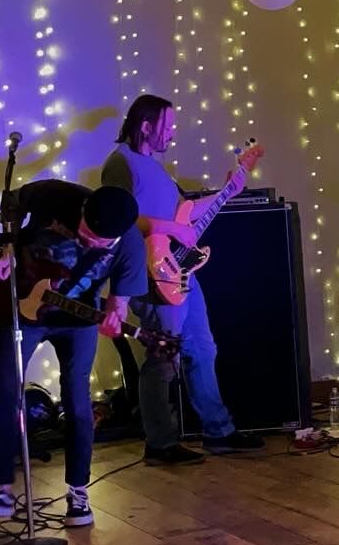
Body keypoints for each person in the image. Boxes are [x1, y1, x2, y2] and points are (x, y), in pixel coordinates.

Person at [0, 181, 146, 526]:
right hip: (24, 306)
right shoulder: (54, 195)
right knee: (4, 390)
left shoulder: (131, 247)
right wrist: (6, 250)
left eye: (97, 242)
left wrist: (114, 317)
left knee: (77, 401)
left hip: (78, 322)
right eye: (84, 231)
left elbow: (118, 305)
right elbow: (12, 205)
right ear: (84, 208)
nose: (86, 242)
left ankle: (78, 493)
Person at [101, 94, 263, 464]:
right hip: (148, 273)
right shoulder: (120, 163)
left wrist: (229, 190)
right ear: (146, 126)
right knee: (164, 357)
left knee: (202, 348)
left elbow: (184, 213)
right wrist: (170, 228)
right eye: (168, 126)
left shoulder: (156, 169)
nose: (173, 133)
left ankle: (219, 432)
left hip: (179, 271)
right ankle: (160, 443)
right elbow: (118, 217)